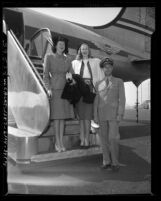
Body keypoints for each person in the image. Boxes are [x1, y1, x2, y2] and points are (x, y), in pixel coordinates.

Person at [94, 57, 126, 171]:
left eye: (109, 66)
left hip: (113, 115)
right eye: (105, 67)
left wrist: (120, 114)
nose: (107, 68)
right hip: (101, 115)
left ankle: (115, 163)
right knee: (103, 140)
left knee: (113, 139)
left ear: (112, 68)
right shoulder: (98, 83)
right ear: (102, 69)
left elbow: (122, 99)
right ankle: (106, 161)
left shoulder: (119, 81)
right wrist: (95, 116)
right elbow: (96, 101)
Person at [43, 36, 74, 152]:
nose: (62, 46)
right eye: (60, 44)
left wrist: (71, 79)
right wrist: (48, 88)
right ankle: (58, 142)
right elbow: (45, 75)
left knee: (63, 118)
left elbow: (71, 74)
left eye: (63, 44)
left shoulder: (68, 59)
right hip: (55, 90)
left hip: (65, 90)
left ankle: (60, 141)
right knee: (57, 118)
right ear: (55, 45)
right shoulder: (49, 57)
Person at [72, 43, 104, 147]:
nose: (84, 51)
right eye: (82, 49)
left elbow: (101, 76)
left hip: (90, 91)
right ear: (79, 51)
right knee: (81, 117)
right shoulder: (74, 63)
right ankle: (83, 139)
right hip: (79, 91)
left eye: (86, 49)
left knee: (87, 117)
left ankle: (87, 139)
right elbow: (71, 78)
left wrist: (95, 85)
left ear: (89, 50)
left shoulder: (96, 62)